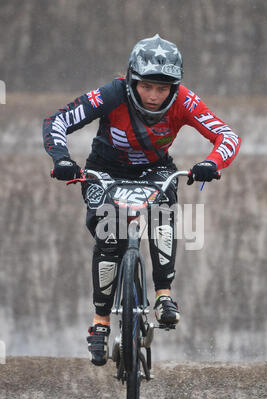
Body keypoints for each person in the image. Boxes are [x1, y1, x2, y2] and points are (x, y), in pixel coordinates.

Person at [43, 34, 241, 366]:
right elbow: (57, 121)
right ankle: (101, 321)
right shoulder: (112, 93)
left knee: (163, 215)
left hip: (155, 171)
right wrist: (62, 159)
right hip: (104, 169)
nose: (153, 95)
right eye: (146, 86)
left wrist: (211, 163)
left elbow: (228, 135)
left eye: (162, 88)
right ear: (132, 79)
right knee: (111, 237)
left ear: (175, 87)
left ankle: (164, 295)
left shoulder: (185, 102)